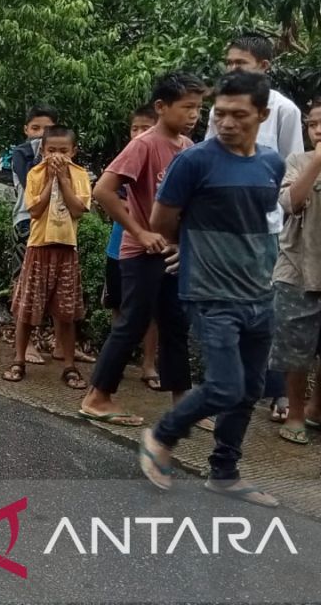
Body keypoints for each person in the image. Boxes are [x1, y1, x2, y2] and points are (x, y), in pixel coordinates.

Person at [139, 72, 286, 507]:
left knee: (248, 389)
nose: (226, 123)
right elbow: (160, 222)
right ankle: (161, 436)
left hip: (261, 294)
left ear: (261, 115)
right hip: (210, 293)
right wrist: (196, 245)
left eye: (239, 115)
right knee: (224, 386)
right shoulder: (195, 161)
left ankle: (224, 472)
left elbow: (261, 222)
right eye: (219, 113)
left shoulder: (271, 163)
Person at [79, 73, 204, 425]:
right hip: (140, 252)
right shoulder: (145, 144)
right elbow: (103, 190)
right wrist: (140, 231)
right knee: (132, 322)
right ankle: (97, 396)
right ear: (161, 107)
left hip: (171, 251)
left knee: (175, 323)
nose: (194, 114)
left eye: (198, 107)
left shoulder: (188, 147)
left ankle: (183, 401)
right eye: (187, 107)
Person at [206, 32, 304, 424]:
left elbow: (290, 165)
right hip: (223, 227)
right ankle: (219, 390)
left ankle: (276, 391)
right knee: (223, 310)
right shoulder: (220, 109)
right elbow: (209, 160)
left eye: (240, 64)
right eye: (228, 63)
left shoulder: (283, 110)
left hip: (267, 228)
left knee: (266, 311)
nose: (232, 70)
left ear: (264, 67)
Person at [2, 126, 93, 389]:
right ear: (42, 151)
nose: (57, 156)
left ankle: (69, 365)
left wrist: (63, 180)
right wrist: (51, 180)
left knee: (66, 313)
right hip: (38, 248)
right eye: (51, 150)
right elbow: (34, 210)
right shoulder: (35, 174)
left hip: (66, 249)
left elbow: (78, 210)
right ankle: (19, 359)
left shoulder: (79, 175)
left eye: (64, 151)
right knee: (27, 309)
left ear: (73, 151)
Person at [269, 100, 321, 445]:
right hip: (297, 268)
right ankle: (296, 413)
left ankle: (316, 410)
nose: (317, 130)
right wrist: (317, 161)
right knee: (296, 347)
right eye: (313, 124)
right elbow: (290, 203)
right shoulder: (298, 161)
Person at [101, 106, 161, 390]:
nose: (138, 134)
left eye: (145, 128)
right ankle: (117, 362)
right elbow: (105, 195)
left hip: (150, 247)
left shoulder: (159, 158)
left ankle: (149, 364)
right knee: (119, 305)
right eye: (134, 128)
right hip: (119, 246)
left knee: (150, 310)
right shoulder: (124, 162)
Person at [8, 104, 58, 365]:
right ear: (26, 129)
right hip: (27, 222)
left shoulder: (61, 152)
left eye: (47, 129)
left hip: (59, 225)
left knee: (58, 285)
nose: (41, 134)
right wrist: (46, 161)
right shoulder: (22, 153)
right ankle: (25, 345)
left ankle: (61, 345)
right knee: (25, 284)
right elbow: (32, 188)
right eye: (36, 128)